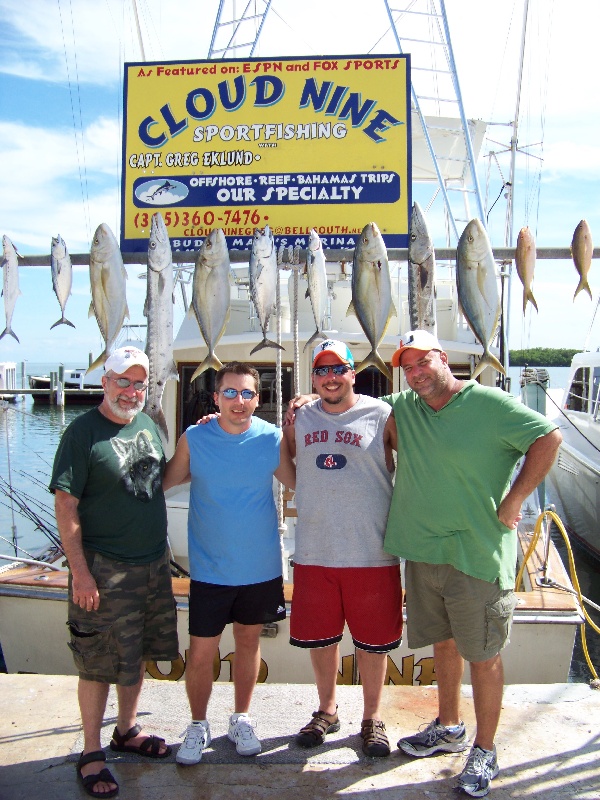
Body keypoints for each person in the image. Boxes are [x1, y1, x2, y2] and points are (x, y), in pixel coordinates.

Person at [383, 330, 562, 798]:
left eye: (424, 361)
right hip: (424, 554)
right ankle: (449, 727)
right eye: (408, 366)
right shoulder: (405, 407)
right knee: (442, 644)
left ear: (443, 358)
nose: (417, 372)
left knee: (483, 656)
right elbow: (357, 413)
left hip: (477, 556)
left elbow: (549, 436)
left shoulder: (490, 403)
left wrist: (516, 498)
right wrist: (302, 402)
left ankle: (485, 748)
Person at [50, 346, 178, 799]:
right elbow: (66, 507)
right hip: (103, 569)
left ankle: (126, 730)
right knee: (98, 661)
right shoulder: (81, 433)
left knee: (137, 653)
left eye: (139, 383)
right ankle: (90, 751)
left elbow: (157, 479)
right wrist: (80, 573)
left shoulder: (147, 424)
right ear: (105, 382)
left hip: (151, 565)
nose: (130, 391)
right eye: (122, 381)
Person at [163, 361, 295, 766]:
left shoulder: (272, 438)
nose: (239, 402)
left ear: (259, 398)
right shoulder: (194, 437)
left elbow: (298, 480)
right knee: (202, 651)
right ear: (216, 397)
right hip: (209, 571)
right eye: (230, 393)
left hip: (260, 568)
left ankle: (241, 718)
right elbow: (166, 480)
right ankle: (198, 724)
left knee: (249, 642)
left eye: (248, 394)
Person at [283, 339, 402, 758]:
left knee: (373, 643)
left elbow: (414, 462)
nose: (330, 377)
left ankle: (372, 718)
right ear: (313, 377)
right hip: (315, 551)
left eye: (339, 369)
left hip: (371, 552)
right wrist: (309, 491)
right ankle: (327, 711)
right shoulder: (300, 415)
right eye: (322, 370)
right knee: (321, 639)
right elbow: (286, 461)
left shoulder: (383, 413)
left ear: (354, 373)